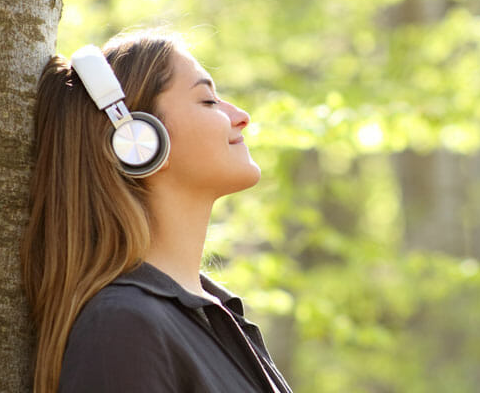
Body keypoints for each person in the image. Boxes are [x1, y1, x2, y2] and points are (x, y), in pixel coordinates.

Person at [20, 30, 292, 393]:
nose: (241, 117)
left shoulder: (219, 317)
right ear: (138, 142)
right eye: (208, 101)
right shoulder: (122, 328)